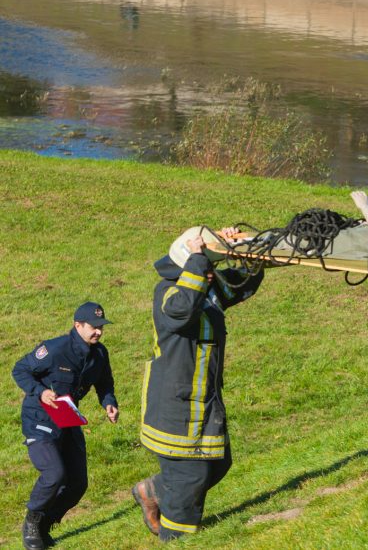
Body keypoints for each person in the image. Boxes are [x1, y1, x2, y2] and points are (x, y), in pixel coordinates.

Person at [131, 226, 264, 541]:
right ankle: (177, 539)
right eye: (205, 266)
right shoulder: (167, 292)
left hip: (204, 400)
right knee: (191, 475)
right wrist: (198, 261)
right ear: (188, 263)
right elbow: (181, 311)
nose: (210, 275)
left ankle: (152, 490)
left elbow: (241, 285)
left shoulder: (203, 285)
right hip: (175, 404)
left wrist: (242, 248)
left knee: (217, 463)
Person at [12, 302, 119, 550]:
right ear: (77, 325)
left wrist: (109, 403)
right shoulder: (54, 348)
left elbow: (105, 383)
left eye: (102, 327)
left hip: (68, 418)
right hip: (39, 418)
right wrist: (40, 392)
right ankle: (32, 522)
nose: (99, 332)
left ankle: (45, 525)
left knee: (78, 483)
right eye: (94, 327)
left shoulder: (100, 354)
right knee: (54, 474)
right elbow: (20, 369)